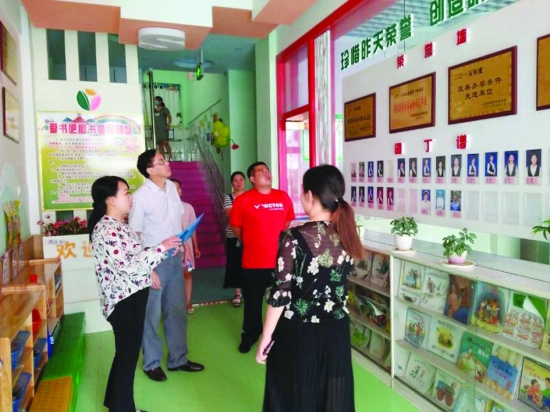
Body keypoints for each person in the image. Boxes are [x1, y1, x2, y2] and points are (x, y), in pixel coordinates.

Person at [255, 165, 363, 411]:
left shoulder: (293, 238)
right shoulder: (348, 233)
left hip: (298, 332)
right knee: (333, 395)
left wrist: (266, 335)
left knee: (292, 392)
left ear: (310, 196)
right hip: (336, 331)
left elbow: (280, 294)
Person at [89, 176, 182, 412]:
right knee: (127, 357)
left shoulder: (120, 225)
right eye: (125, 193)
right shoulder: (106, 230)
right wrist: (161, 247)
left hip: (132, 296)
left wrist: (164, 252)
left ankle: (115, 403)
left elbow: (137, 257)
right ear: (110, 199)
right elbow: (129, 266)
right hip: (124, 302)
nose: (130, 197)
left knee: (125, 355)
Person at [129, 149, 204, 382]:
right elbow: (135, 235)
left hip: (174, 256)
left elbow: (176, 221)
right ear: (150, 170)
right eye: (161, 161)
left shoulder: (171, 187)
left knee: (177, 310)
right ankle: (151, 363)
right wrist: (148, 268)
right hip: (153, 260)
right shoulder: (140, 197)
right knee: (151, 315)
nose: (167, 163)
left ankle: (178, 359)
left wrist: (183, 247)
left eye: (165, 159)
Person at [230, 162, 295, 354]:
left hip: (280, 262)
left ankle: (279, 336)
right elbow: (235, 226)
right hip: (253, 262)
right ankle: (250, 336)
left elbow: (287, 221)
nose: (267, 173)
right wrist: (250, 241)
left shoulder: (282, 196)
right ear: (252, 179)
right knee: (252, 302)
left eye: (267, 170)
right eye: (261, 171)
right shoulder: (243, 200)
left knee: (281, 300)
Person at [171, 178, 201, 315]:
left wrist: (195, 247)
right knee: (172, 277)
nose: (176, 191)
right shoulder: (163, 208)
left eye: (178, 187)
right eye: (172, 188)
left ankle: (188, 302)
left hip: (187, 248)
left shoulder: (188, 207)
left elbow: (192, 229)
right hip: (171, 248)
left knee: (187, 274)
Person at [223, 171, 246, 307]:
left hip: (251, 236)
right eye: (235, 180)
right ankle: (237, 293)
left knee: (249, 264)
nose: (238, 182)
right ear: (232, 183)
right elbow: (232, 216)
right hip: (233, 236)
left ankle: (249, 290)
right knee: (235, 264)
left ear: (245, 182)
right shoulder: (228, 198)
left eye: (241, 180)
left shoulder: (251, 196)